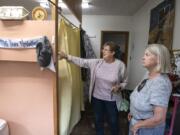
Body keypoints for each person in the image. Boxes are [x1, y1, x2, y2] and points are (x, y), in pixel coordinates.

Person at [59, 41, 127, 135]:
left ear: (113, 53)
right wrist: (67, 56)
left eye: (106, 50)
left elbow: (125, 82)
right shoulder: (97, 62)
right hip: (97, 98)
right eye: (103, 49)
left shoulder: (120, 65)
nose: (103, 51)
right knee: (98, 119)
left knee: (113, 121)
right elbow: (82, 61)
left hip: (112, 100)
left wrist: (119, 87)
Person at [128, 44, 172, 135]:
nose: (143, 57)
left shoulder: (160, 83)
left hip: (148, 130)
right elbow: (141, 95)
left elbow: (159, 118)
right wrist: (133, 112)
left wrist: (138, 125)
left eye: (147, 55)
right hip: (137, 122)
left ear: (159, 59)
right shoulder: (148, 74)